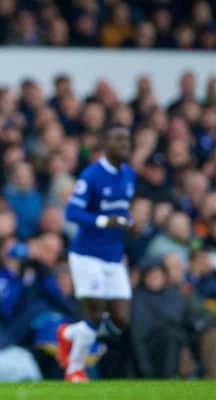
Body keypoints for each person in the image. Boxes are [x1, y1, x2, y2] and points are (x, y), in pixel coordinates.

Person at [58, 125, 136, 382]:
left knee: (121, 319)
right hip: (87, 254)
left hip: (114, 256)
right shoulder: (91, 176)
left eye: (126, 140)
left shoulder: (129, 175)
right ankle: (74, 370)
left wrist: (130, 223)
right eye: (118, 139)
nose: (124, 144)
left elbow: (123, 211)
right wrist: (104, 222)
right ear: (105, 143)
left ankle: (69, 334)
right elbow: (72, 212)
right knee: (94, 312)